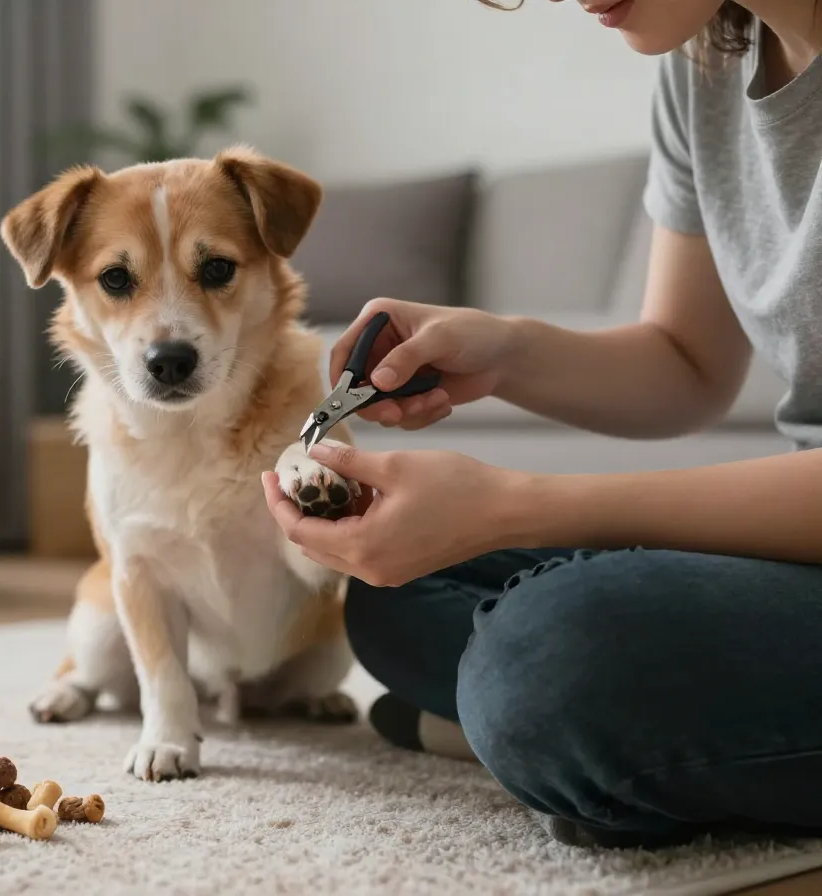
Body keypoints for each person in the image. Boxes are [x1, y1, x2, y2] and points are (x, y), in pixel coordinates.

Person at [261, 0, 822, 850]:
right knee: (400, 590)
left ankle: (571, 744)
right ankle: (617, 754)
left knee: (552, 661)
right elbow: (687, 364)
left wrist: (520, 502)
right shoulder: (705, 62)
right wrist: (508, 351)